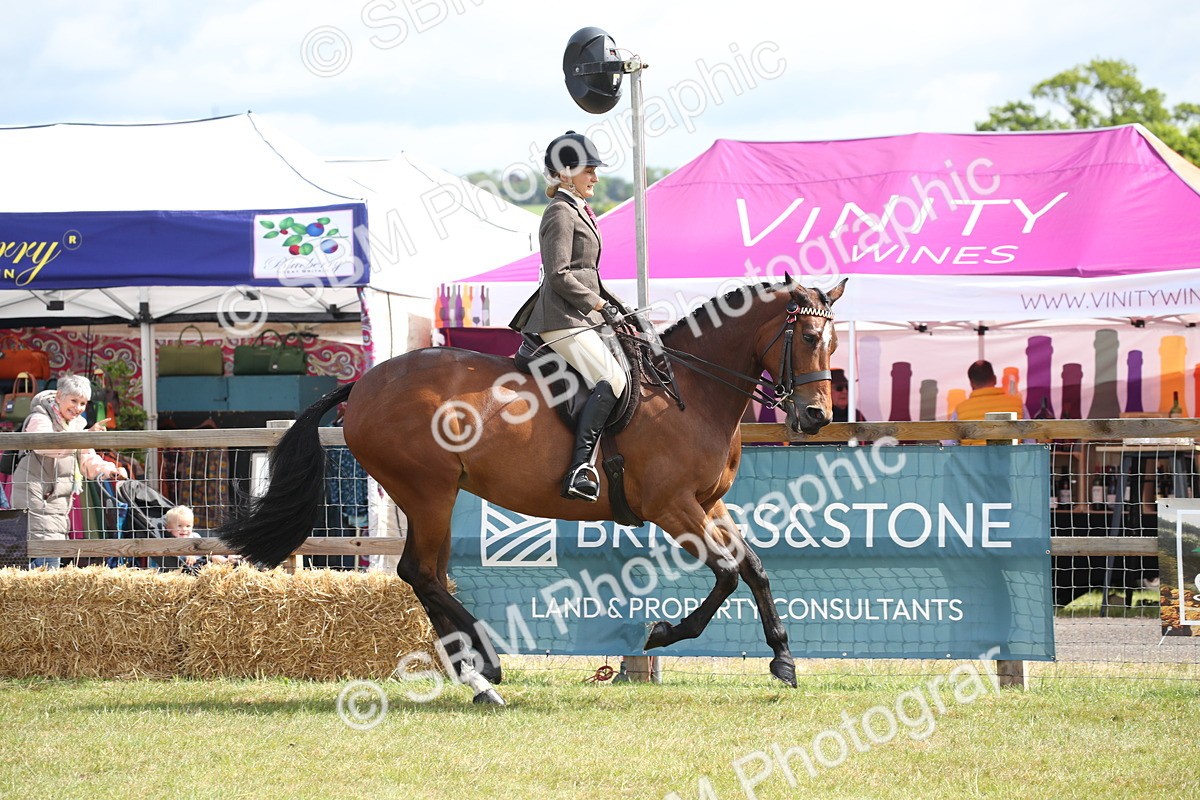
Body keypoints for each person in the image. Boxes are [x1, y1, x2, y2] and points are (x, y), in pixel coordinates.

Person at [509, 131, 631, 502]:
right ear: (566, 173)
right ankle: (581, 468)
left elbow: (587, 272)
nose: (595, 177)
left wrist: (617, 308)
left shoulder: (578, 209)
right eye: (589, 170)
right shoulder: (560, 212)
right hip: (560, 318)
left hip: (579, 316)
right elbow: (560, 274)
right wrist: (599, 306)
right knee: (612, 379)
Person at [11, 374, 128, 569]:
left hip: (56, 496)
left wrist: (109, 470)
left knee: (52, 547)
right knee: (40, 546)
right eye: (74, 400)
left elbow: (87, 459)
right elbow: (46, 446)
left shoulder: (77, 425)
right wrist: (86, 436)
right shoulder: (39, 417)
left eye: (83, 403)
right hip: (34, 491)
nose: (78, 408)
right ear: (59, 396)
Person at [952, 359, 1024, 444]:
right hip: (1012, 456)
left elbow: (949, 445)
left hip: (974, 456)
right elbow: (1030, 441)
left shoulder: (960, 410)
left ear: (971, 383)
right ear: (995, 379)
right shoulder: (1017, 404)